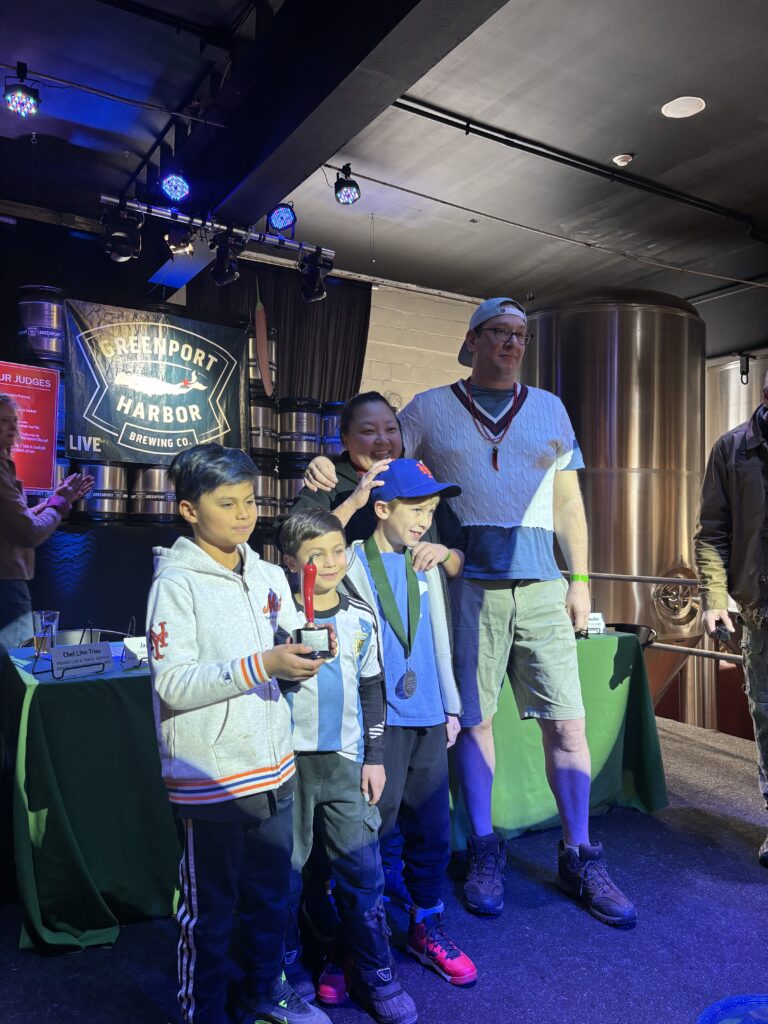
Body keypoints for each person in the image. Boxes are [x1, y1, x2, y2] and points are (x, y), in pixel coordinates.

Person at [304, 298, 636, 928]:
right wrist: (324, 464)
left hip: (542, 585)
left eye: (520, 335)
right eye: (499, 333)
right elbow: (380, 453)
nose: (512, 344)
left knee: (567, 722)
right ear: (473, 340)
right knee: (475, 722)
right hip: (466, 586)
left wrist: (580, 580)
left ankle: (580, 854)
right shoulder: (429, 408)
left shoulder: (550, 407)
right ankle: (484, 848)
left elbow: (568, 502)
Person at [146, 443, 334, 1024]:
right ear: (189, 510)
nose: (244, 514)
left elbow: (282, 650)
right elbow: (173, 683)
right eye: (226, 503)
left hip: (273, 765)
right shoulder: (176, 583)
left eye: (249, 500)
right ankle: (202, 1012)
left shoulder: (269, 573)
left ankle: (263, 992)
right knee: (210, 911)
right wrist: (265, 665)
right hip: (211, 777)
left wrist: (302, 656)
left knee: (270, 897)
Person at [279, 509, 417, 1024]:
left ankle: (375, 971)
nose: (332, 562)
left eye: (338, 550)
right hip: (287, 764)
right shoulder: (274, 614)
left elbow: (372, 687)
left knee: (362, 870)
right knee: (288, 873)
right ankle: (287, 971)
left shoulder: (360, 615)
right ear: (290, 562)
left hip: (346, 762)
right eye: (316, 555)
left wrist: (374, 758)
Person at [343, 458, 477, 988]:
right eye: (415, 509)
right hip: (379, 722)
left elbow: (439, 638)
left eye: (431, 510)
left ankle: (426, 925)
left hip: (427, 715)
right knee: (372, 832)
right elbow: (304, 549)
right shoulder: (351, 560)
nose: (424, 520)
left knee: (432, 830)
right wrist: (353, 500)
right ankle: (360, 938)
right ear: (382, 510)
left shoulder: (425, 563)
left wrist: (450, 706)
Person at [694, 371, 768, 866]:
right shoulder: (732, 449)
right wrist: (715, 597)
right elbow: (712, 532)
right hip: (761, 614)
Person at [0, 393, 92, 649]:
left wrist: (56, 500)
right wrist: (59, 503)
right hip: (6, 583)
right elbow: (28, 532)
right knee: (18, 663)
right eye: (3, 420)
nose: (12, 427)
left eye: (13, 420)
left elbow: (17, 518)